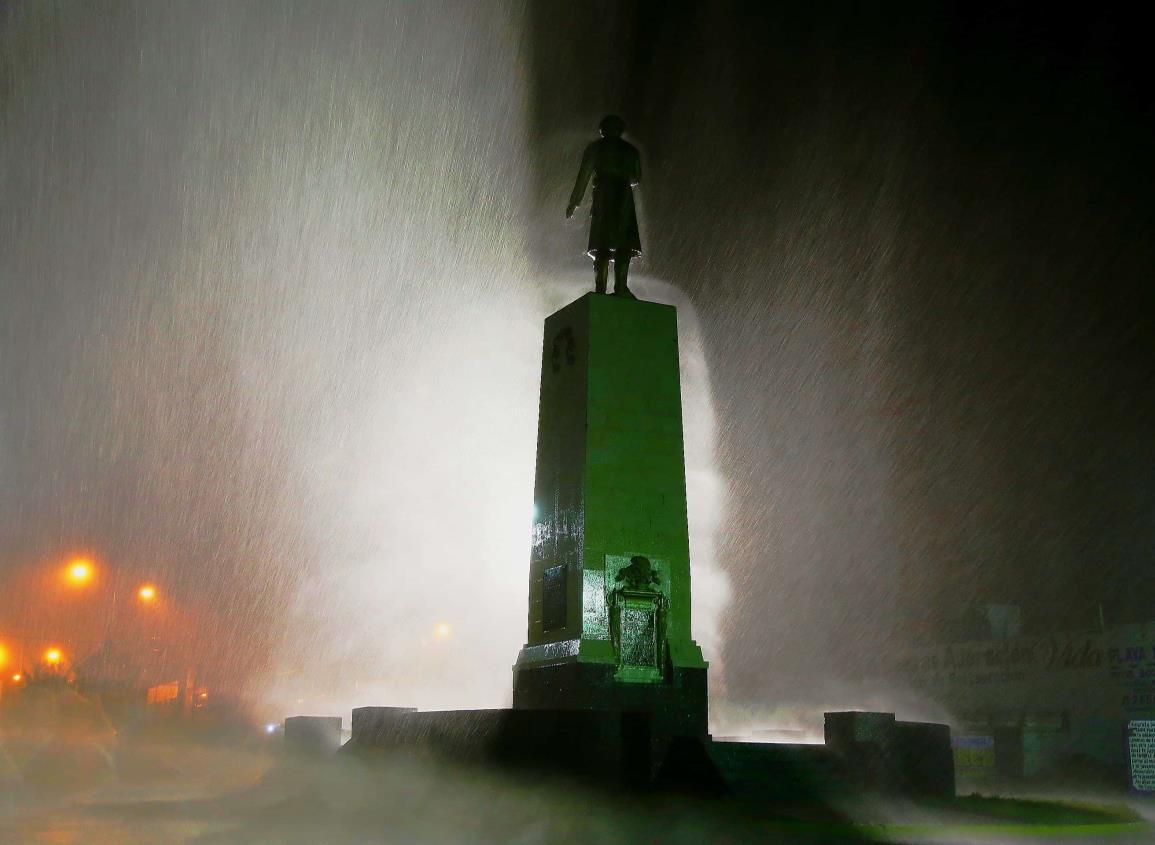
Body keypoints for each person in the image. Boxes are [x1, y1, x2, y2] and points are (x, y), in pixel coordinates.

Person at [566, 115, 642, 297]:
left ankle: (601, 289)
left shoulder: (595, 149)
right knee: (623, 244)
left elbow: (583, 178)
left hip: (604, 196)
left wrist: (574, 203)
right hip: (623, 197)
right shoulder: (630, 150)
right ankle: (621, 288)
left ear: (602, 130)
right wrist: (621, 173)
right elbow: (636, 178)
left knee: (602, 246)